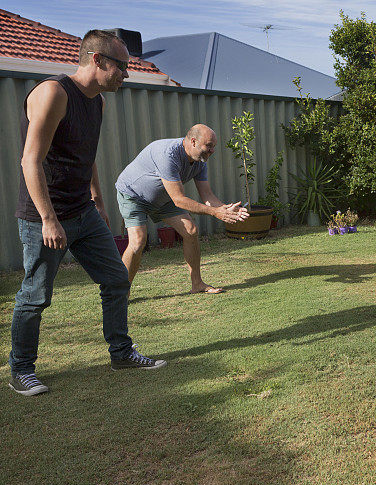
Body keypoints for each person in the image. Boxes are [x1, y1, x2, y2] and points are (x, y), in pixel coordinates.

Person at [9, 30, 166, 396]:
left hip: (83, 211)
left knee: (115, 279)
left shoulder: (97, 101)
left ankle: (122, 352)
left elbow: (86, 153)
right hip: (44, 216)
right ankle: (21, 369)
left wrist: (97, 199)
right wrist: (49, 218)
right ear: (97, 60)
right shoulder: (53, 93)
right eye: (122, 67)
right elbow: (30, 161)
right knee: (35, 295)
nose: (125, 75)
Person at [115, 125, 249, 294]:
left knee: (191, 231)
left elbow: (207, 196)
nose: (212, 150)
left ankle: (197, 284)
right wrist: (216, 213)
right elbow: (179, 200)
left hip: (164, 197)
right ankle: (120, 293)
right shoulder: (168, 154)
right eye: (209, 145)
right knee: (138, 241)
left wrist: (225, 209)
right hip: (133, 195)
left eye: (213, 146)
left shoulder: (200, 162)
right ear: (193, 141)